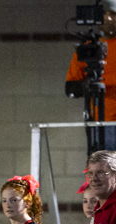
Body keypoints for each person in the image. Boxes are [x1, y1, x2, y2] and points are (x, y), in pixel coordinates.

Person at [66, 1, 116, 153]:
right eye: (104, 14)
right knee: (102, 170)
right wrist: (90, 85)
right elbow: (71, 88)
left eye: (113, 14)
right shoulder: (88, 49)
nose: (108, 18)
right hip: (99, 123)